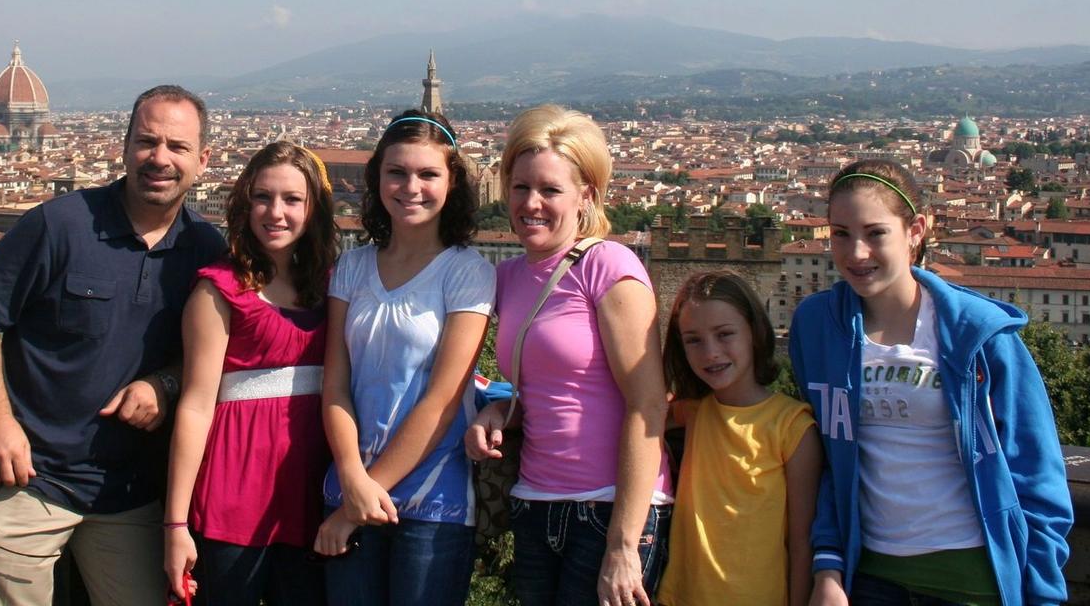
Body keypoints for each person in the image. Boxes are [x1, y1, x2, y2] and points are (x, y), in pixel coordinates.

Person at [0, 85, 226, 606]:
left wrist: (164, 383)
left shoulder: (206, 249)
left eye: (177, 146)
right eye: (147, 142)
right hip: (29, 478)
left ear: (203, 160)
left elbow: (208, 353)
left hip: (132, 493)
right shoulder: (61, 225)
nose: (160, 158)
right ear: (123, 147)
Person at [789, 159, 1073, 606]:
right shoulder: (817, 327)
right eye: (841, 234)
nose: (856, 252)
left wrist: (1042, 590)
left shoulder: (979, 335)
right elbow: (827, 458)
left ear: (916, 230)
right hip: (869, 577)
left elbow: (1036, 472)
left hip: (972, 577)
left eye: (875, 232)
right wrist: (828, 566)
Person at [466, 104, 672, 606]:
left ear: (587, 196)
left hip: (610, 509)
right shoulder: (508, 278)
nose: (531, 203)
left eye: (550, 190)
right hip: (535, 504)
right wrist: (499, 411)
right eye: (520, 187)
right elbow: (549, 388)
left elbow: (648, 405)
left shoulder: (608, 266)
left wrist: (624, 543)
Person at [312, 110, 494, 606]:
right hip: (346, 488)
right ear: (378, 178)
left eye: (428, 174)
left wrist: (356, 503)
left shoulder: (468, 273)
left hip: (431, 505)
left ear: (452, 182)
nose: (411, 186)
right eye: (397, 172)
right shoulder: (351, 266)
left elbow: (442, 400)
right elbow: (336, 385)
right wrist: (351, 477)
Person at [163, 141, 336, 605]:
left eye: (292, 199)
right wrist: (175, 524)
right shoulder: (219, 289)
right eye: (263, 197)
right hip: (235, 490)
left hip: (310, 492)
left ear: (314, 209)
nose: (275, 212)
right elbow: (197, 406)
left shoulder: (332, 284)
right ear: (245, 203)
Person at [655, 271, 821, 606]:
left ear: (755, 333)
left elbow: (802, 540)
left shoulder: (792, 425)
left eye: (725, 334)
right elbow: (635, 413)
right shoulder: (694, 412)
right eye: (693, 340)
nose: (710, 352)